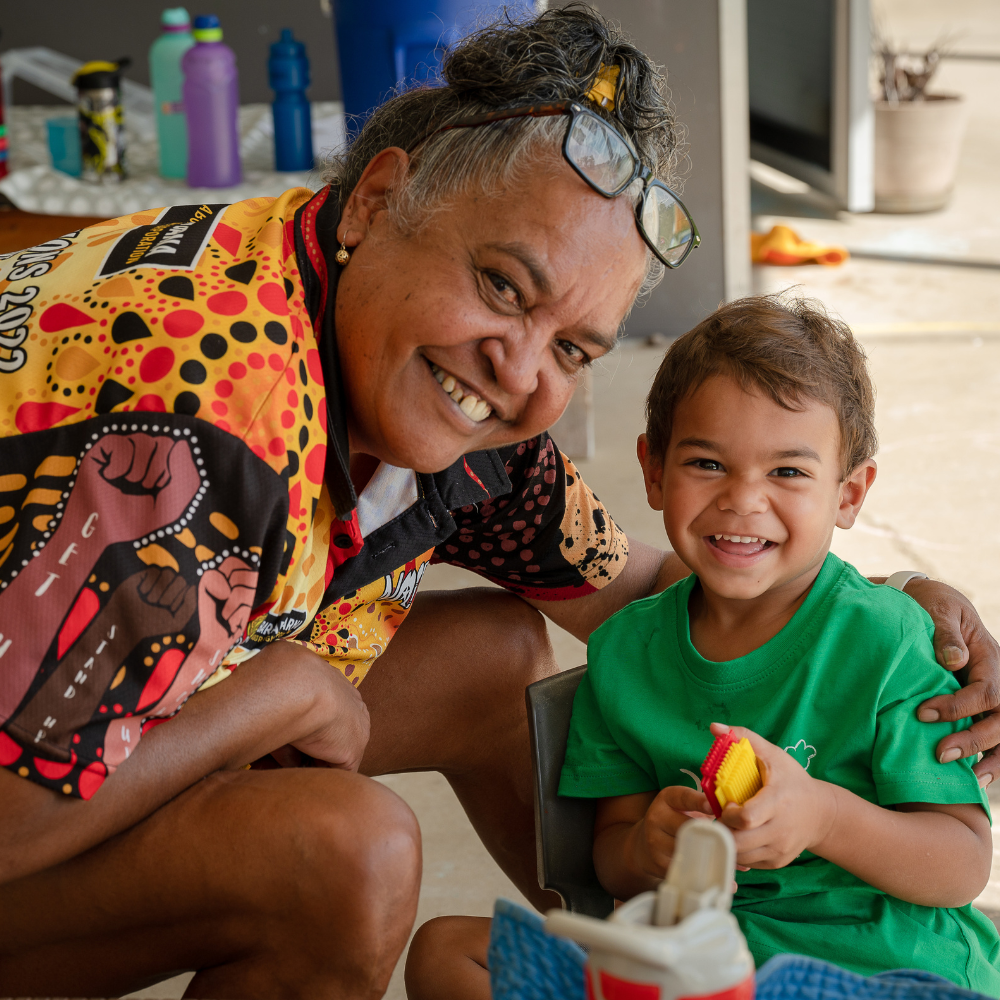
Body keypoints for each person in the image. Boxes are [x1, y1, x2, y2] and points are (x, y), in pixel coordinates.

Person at [0, 10, 997, 999]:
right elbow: (11, 815)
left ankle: (653, 980)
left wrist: (901, 607)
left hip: (120, 690)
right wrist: (276, 690)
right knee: (348, 856)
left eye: (572, 347)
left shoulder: (456, 407)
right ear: (377, 201)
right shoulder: (203, 432)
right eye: (501, 284)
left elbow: (653, 590)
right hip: (18, 798)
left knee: (497, 665)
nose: (519, 370)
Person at [405, 296, 1000, 998]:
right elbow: (614, 852)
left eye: (787, 473)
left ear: (849, 493)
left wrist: (823, 816)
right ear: (653, 471)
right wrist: (647, 847)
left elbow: (960, 865)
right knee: (447, 953)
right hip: (699, 965)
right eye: (708, 464)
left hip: (874, 967)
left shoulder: (890, 637)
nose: (744, 499)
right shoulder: (627, 651)